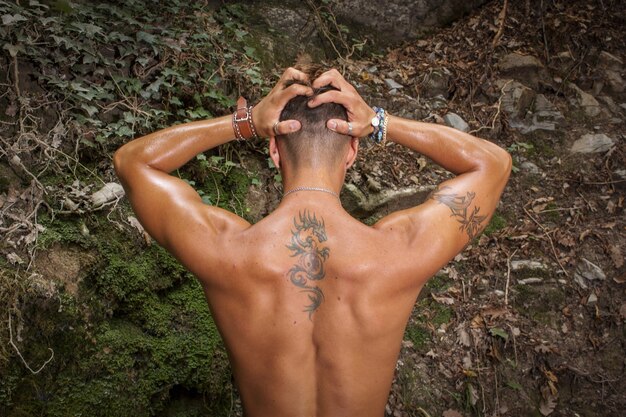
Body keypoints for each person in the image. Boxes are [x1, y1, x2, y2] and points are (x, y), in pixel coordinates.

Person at [114, 66, 511, 417]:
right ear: (352, 150)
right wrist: (377, 121)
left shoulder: (226, 251)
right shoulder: (399, 252)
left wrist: (246, 122)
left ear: (273, 149)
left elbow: (132, 162)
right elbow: (492, 164)